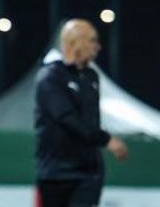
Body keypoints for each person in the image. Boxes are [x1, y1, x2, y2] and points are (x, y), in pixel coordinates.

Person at [35, 19, 128, 207]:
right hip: (56, 174)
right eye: (92, 40)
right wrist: (106, 140)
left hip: (88, 174)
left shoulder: (91, 77)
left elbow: (91, 121)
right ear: (74, 42)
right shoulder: (50, 76)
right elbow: (66, 117)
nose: (98, 47)